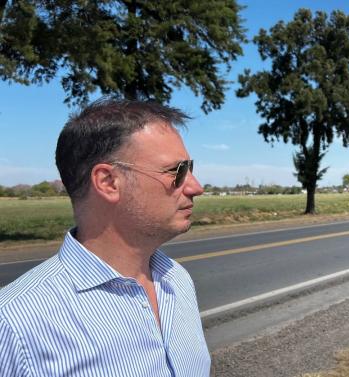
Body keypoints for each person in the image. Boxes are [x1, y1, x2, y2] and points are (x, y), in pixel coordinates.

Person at [0, 98, 210, 376]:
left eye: (190, 168)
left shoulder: (177, 280)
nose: (196, 187)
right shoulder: (15, 325)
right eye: (177, 171)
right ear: (108, 182)